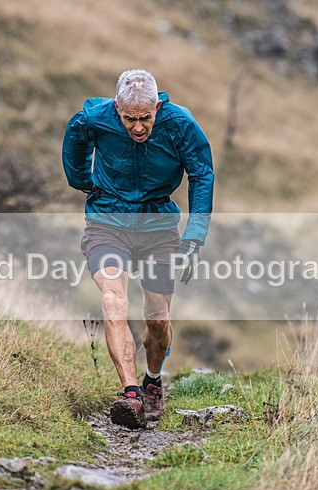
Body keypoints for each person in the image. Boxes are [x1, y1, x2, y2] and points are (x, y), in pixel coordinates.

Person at [62, 69, 214, 428]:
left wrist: (193, 238)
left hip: (158, 227)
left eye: (146, 117)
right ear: (117, 108)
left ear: (157, 106)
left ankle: (152, 381)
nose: (139, 127)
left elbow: (202, 174)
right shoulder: (96, 116)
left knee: (157, 318)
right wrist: (82, 179)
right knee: (114, 299)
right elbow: (76, 134)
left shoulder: (180, 124)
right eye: (130, 119)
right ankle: (130, 395)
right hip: (107, 223)